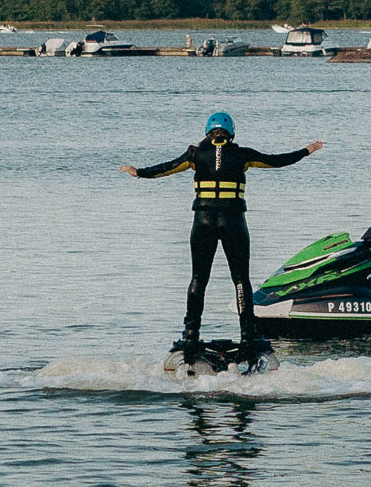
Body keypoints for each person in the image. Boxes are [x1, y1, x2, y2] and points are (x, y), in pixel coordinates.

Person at [122, 111, 323, 356]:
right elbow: (277, 160)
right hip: (233, 221)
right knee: (240, 279)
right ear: (232, 132)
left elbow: (167, 168)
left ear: (208, 132)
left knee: (199, 277)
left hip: (203, 222)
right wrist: (306, 150)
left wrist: (138, 172)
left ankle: (191, 333)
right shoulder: (242, 154)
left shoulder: (194, 153)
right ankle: (249, 335)